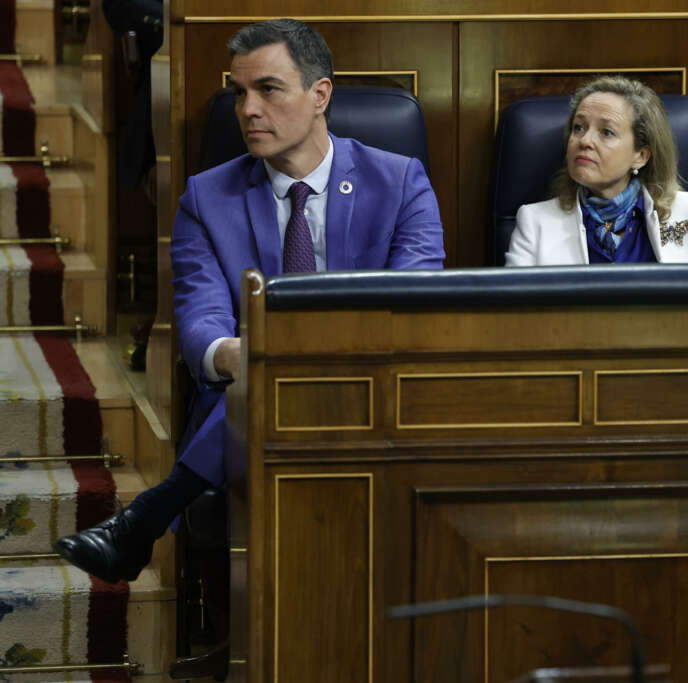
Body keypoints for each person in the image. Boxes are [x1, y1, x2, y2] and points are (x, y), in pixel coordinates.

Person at [53, 19, 444, 583]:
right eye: (239, 93)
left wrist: (296, 353)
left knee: (280, 368)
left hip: (379, 389)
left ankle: (144, 520)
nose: (248, 110)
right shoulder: (206, 198)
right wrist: (231, 353)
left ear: (320, 95)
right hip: (254, 394)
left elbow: (414, 306)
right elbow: (200, 318)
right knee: (267, 375)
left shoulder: (400, 181)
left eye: (268, 89)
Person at [504, 76, 688, 266]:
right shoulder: (536, 223)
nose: (585, 140)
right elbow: (514, 313)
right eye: (579, 127)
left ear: (640, 156)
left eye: (607, 132)